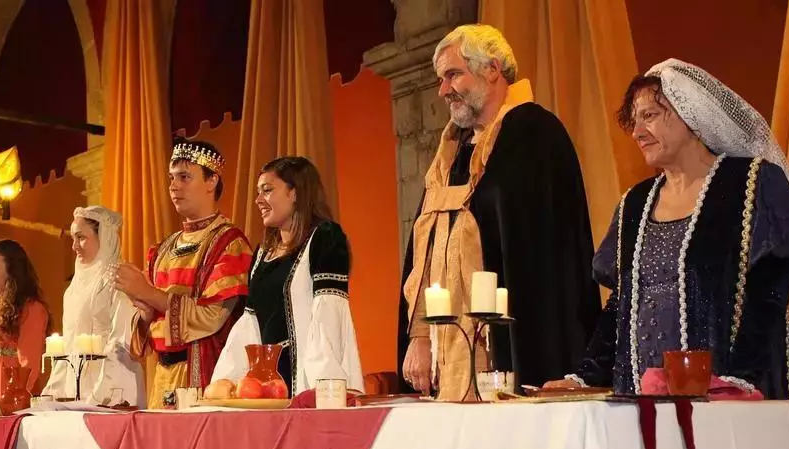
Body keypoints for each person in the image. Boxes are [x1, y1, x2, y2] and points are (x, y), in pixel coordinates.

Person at [544, 59, 789, 398]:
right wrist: (584, 377)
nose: (637, 132)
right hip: (641, 400)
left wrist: (737, 381)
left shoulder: (750, 184)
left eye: (649, 116)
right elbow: (620, 307)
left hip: (726, 399)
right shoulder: (635, 203)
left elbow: (769, 296)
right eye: (634, 120)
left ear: (690, 113)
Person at [399, 24, 601, 401]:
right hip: (448, 351)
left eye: (453, 74)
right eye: (441, 79)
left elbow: (545, 266)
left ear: (492, 69)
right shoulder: (450, 156)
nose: (443, 90)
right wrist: (421, 334)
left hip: (514, 348)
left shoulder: (534, 135)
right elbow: (425, 253)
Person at [114, 138, 253, 409]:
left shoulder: (229, 244)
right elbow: (147, 332)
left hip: (204, 378)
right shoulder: (162, 249)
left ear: (212, 181)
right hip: (161, 380)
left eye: (185, 177)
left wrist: (149, 294)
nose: (174, 186)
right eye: (172, 178)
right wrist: (144, 312)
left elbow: (211, 317)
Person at [211, 156, 363, 394]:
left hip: (307, 380)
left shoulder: (325, 237)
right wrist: (228, 380)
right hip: (269, 386)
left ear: (295, 193)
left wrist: (322, 387)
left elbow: (328, 316)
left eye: (267, 190)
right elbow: (250, 324)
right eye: (258, 192)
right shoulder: (262, 253)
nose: (258, 200)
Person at [42, 206, 143, 406]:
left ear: (103, 238)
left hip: (113, 388)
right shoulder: (73, 289)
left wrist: (98, 396)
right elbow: (68, 345)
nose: (74, 246)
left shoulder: (120, 280)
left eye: (81, 237)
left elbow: (120, 344)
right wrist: (53, 392)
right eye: (73, 238)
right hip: (76, 389)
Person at [0, 239, 50, 402]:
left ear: (12, 270)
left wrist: (15, 402)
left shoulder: (32, 309)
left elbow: (29, 366)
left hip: (12, 402)